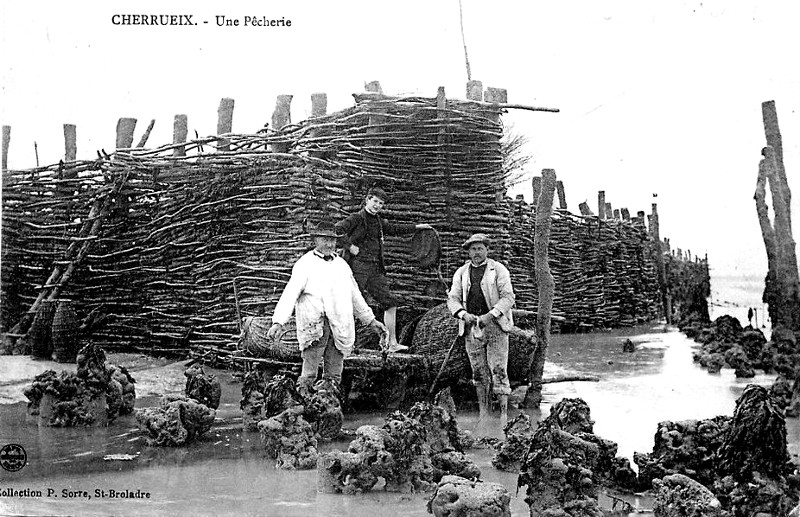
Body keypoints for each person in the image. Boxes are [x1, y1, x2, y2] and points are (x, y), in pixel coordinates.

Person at [267, 221, 387, 396]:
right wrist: (278, 322)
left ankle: (329, 407)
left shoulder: (342, 266)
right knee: (309, 372)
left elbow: (355, 296)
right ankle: (303, 404)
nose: (329, 244)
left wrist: (371, 320)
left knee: (334, 373)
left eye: (332, 240)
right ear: (316, 240)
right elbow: (290, 294)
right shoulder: (305, 264)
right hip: (316, 326)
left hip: (339, 325)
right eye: (325, 239)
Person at [335, 187, 431, 353]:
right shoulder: (356, 218)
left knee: (390, 303)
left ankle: (392, 343)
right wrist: (349, 246)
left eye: (380, 203)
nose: (377, 205)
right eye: (375, 201)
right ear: (367, 200)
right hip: (357, 267)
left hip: (375, 268)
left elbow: (394, 229)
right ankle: (346, 345)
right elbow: (337, 229)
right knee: (350, 304)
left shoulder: (378, 221)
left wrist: (417, 227)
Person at [446, 233, 515, 426]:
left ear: (487, 250)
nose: (476, 253)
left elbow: (508, 297)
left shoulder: (498, 269)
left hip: (495, 325)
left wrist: (491, 315)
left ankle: (503, 416)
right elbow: (452, 298)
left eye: (480, 249)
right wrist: (462, 314)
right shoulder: (462, 272)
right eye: (473, 249)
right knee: (478, 372)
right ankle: (484, 414)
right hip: (472, 327)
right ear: (468, 252)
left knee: (499, 369)